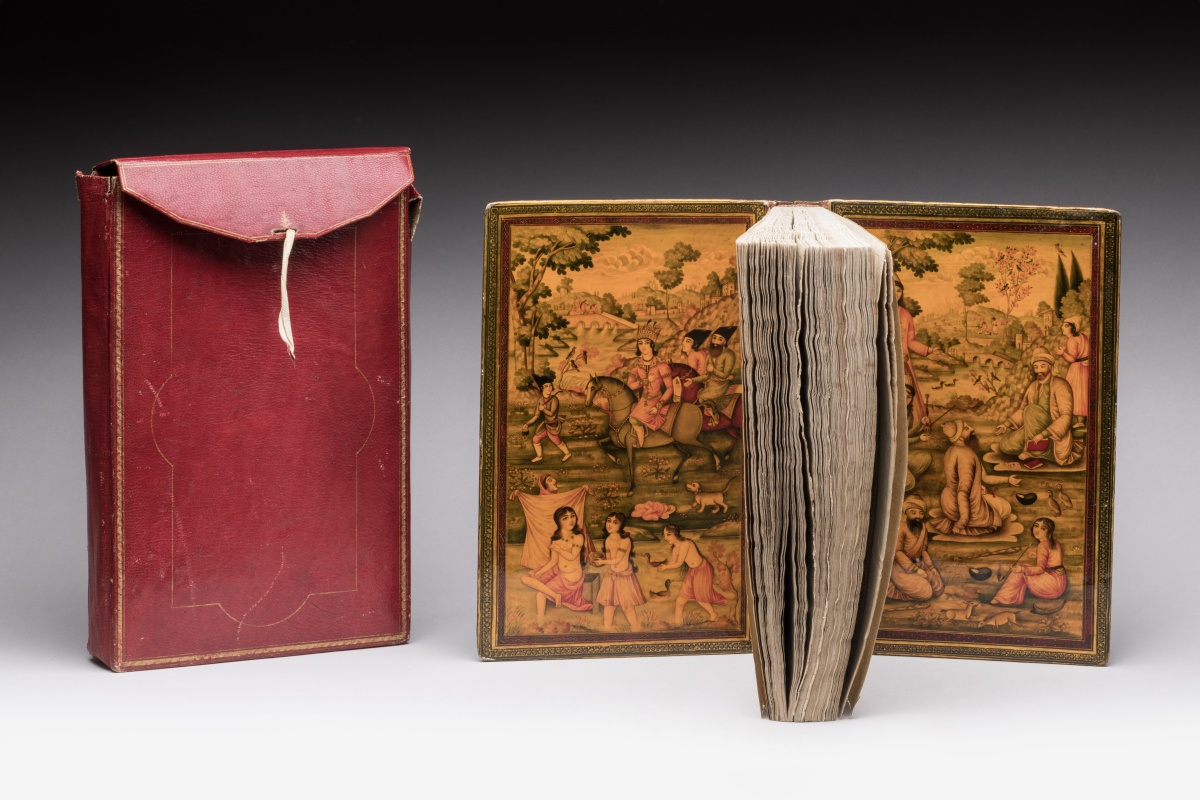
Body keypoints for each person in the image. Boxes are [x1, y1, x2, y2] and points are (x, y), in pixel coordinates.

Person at [995, 348, 1082, 466]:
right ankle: (1033, 448)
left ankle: (1035, 451)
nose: (1039, 370)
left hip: (1053, 436)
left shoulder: (1061, 385)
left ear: (1050, 366)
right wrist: (1006, 424)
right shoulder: (1032, 386)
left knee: (1031, 409)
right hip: (1033, 430)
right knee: (1005, 445)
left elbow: (1066, 416)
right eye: (1036, 367)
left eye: (1042, 366)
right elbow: (1022, 410)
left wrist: (1043, 434)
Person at [927, 420, 1013, 537]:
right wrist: (963, 519)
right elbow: (963, 490)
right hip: (961, 507)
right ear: (959, 436)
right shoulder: (966, 455)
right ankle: (967, 522)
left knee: (992, 501)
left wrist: (1007, 480)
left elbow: (983, 478)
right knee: (1005, 507)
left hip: (948, 502)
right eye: (966, 429)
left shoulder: (952, 450)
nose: (973, 429)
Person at [520, 506, 594, 622]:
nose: (571, 520)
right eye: (565, 518)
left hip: (571, 576)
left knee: (540, 594)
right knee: (525, 578)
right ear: (558, 521)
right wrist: (541, 572)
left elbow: (572, 556)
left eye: (572, 516)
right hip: (557, 570)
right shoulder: (556, 539)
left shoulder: (579, 537)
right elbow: (554, 561)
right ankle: (555, 595)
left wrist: (559, 549)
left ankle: (540, 621)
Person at [656, 524, 726, 624]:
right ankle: (678, 625)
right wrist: (664, 565)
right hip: (692, 572)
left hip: (702, 570)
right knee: (680, 601)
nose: (665, 538)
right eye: (664, 535)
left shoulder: (685, 543)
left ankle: (713, 614)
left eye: (668, 534)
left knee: (700, 597)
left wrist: (665, 567)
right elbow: (674, 562)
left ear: (676, 533)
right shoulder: (675, 548)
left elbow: (679, 563)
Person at [992, 517, 1066, 606]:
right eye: (1036, 526)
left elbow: (1040, 569)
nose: (1037, 530)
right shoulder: (1055, 543)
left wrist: (1022, 569)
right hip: (1060, 584)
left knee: (1019, 572)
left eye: (1043, 528)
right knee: (1023, 567)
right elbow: (1052, 560)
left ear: (1049, 532)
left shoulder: (1042, 545)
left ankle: (1002, 599)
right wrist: (1037, 555)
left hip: (1050, 586)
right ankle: (1010, 599)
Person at [592, 512, 645, 631]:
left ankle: (636, 629)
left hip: (624, 576)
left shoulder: (625, 540)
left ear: (621, 525)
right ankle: (607, 631)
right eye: (608, 520)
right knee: (609, 605)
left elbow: (618, 560)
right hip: (611, 576)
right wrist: (598, 559)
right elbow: (609, 559)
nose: (610, 524)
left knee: (627, 607)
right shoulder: (608, 540)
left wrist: (603, 561)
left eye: (615, 522)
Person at [626, 321, 675, 447]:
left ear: (652, 344)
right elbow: (630, 386)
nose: (643, 346)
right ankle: (641, 443)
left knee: (634, 419)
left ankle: (643, 443)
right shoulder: (636, 365)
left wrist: (658, 406)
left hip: (657, 399)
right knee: (633, 419)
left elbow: (670, 388)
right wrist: (645, 381)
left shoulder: (661, 365)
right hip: (643, 400)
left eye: (646, 343)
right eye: (640, 343)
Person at [887, 496, 944, 601]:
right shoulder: (901, 527)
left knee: (938, 588)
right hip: (902, 568)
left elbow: (924, 551)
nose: (918, 516)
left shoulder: (923, 528)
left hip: (920, 565)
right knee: (926, 592)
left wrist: (931, 567)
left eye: (921, 513)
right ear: (906, 513)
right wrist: (915, 570)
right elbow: (898, 553)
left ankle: (913, 586)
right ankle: (893, 589)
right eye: (914, 513)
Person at [522, 374, 571, 463]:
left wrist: (543, 409)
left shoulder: (554, 399)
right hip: (546, 424)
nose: (549, 388)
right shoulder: (540, 400)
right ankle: (539, 456)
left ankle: (568, 454)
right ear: (542, 388)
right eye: (546, 386)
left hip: (553, 425)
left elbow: (551, 414)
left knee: (557, 441)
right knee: (535, 439)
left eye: (550, 385)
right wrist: (527, 424)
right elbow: (537, 415)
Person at [688, 325, 738, 405]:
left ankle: (714, 413)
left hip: (720, 386)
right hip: (709, 385)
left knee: (702, 398)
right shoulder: (710, 354)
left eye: (720, 339)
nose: (715, 341)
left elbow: (725, 375)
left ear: (724, 342)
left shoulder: (729, 354)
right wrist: (693, 380)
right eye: (714, 338)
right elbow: (707, 376)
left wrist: (713, 370)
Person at [1057, 316, 1090, 424]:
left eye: (1066, 326)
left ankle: (1070, 420)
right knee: (1083, 393)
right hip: (1086, 367)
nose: (1062, 327)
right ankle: (1081, 421)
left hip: (1076, 369)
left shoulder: (1072, 340)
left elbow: (1072, 359)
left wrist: (1062, 353)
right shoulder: (1083, 336)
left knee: (1073, 392)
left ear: (1073, 328)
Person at [672, 328, 710, 404]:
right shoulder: (699, 352)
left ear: (695, 344)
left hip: (700, 383)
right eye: (683, 340)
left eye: (688, 341)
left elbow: (693, 374)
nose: (683, 343)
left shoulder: (693, 355)